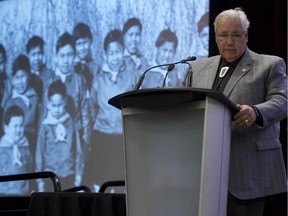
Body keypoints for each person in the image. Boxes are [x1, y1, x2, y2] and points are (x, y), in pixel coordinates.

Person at [183, 8, 287, 216]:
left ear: (246, 36)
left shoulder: (269, 64)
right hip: (204, 171)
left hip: (248, 170)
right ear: (216, 37)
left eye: (236, 35)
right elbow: (184, 106)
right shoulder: (197, 68)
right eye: (223, 35)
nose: (229, 42)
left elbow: (282, 101)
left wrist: (256, 112)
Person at [89, 29, 134, 191]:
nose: (115, 57)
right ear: (105, 54)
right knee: (101, 179)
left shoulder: (131, 75)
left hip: (123, 135)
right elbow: (92, 107)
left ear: (123, 51)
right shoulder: (99, 79)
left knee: (121, 180)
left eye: (118, 52)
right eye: (111, 53)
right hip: (102, 136)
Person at [45, 32, 91, 159]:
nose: (66, 60)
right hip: (54, 139)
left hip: (76, 137)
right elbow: (44, 113)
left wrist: (86, 141)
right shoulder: (50, 80)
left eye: (70, 55)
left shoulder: (80, 80)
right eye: (62, 56)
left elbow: (85, 113)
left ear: (75, 56)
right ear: (56, 57)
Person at [35, 80, 83, 191]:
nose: (57, 110)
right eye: (53, 105)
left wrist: (78, 174)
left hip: (68, 175)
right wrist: (39, 180)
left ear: (65, 101)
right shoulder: (45, 125)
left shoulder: (70, 123)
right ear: (48, 103)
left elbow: (78, 150)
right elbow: (39, 152)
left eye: (60, 105)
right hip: (49, 176)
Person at [2, 54, 39, 159]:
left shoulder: (34, 98)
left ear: (29, 76)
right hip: (10, 146)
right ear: (12, 79)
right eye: (17, 78)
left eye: (23, 77)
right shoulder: (10, 100)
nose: (20, 82)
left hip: (30, 145)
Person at [0, 105, 32, 195]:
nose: (18, 130)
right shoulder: (1, 147)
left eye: (21, 126)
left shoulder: (25, 145)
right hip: (3, 193)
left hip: (23, 192)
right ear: (6, 128)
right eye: (15, 126)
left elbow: (29, 166)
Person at [72, 23, 100, 95]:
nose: (82, 48)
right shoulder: (71, 67)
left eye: (85, 42)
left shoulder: (96, 68)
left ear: (90, 41)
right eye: (79, 44)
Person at [26, 35, 53, 100]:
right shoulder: (25, 76)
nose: (37, 58)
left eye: (39, 53)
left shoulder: (50, 75)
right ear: (28, 55)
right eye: (33, 54)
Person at [122, 18, 148, 84]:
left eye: (137, 35)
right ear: (124, 36)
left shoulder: (144, 61)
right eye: (130, 35)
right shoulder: (118, 60)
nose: (134, 39)